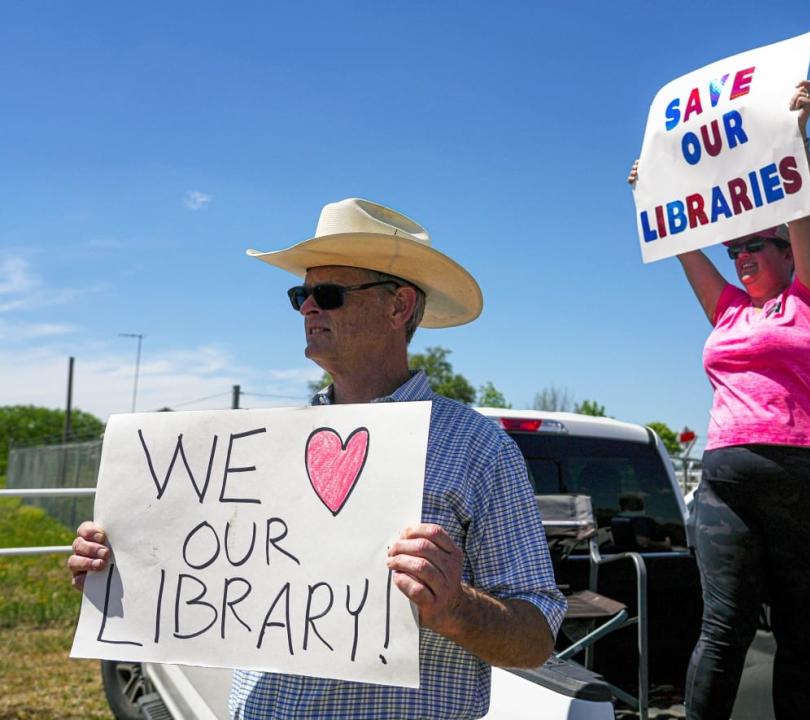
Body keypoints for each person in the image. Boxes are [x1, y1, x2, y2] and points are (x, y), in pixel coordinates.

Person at [69, 197, 566, 719]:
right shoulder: (262, 446)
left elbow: (536, 638)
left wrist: (454, 607)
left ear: (398, 306)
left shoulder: (476, 448)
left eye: (328, 293)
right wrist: (121, 565)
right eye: (300, 294)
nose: (309, 307)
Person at [629, 80, 810, 719]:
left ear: (788, 253)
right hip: (727, 481)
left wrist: (797, 137)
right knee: (721, 631)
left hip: (805, 479)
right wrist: (651, 190)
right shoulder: (728, 310)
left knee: (799, 634)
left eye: (755, 244)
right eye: (734, 249)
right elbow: (679, 243)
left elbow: (807, 211)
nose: (740, 256)